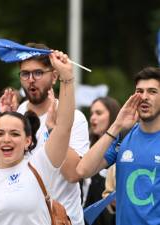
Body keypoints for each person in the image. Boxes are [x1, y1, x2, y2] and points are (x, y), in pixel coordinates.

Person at [0, 50, 75, 225]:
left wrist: (66, 77)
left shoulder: (40, 167)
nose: (6, 139)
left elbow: (64, 128)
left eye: (15, 134)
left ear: (27, 141)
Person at [76, 67, 160, 225]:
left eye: (152, 91)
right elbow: (83, 170)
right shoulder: (123, 135)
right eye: (139, 91)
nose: (144, 97)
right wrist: (116, 125)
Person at [84, 97, 120, 225]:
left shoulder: (122, 148)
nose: (93, 117)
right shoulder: (85, 146)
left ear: (113, 115)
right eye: (92, 113)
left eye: (98, 113)